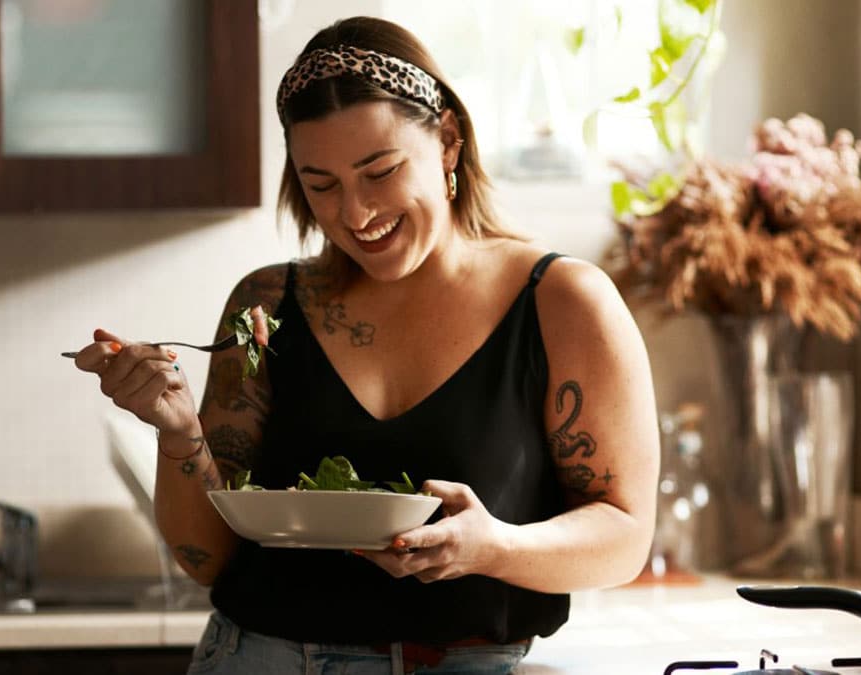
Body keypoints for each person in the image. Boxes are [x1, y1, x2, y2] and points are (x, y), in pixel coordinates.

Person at [73, 16, 659, 675]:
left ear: (447, 140)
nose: (355, 214)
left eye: (378, 171)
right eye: (321, 184)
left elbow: (624, 536)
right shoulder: (266, 307)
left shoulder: (563, 303)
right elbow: (206, 557)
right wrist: (177, 431)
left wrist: (488, 547)